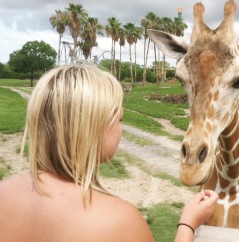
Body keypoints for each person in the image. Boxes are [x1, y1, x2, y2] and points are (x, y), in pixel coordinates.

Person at [0, 63, 218, 242]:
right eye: (119, 119)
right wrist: (188, 224)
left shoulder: (4, 192)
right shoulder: (119, 221)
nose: (121, 128)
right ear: (94, 127)